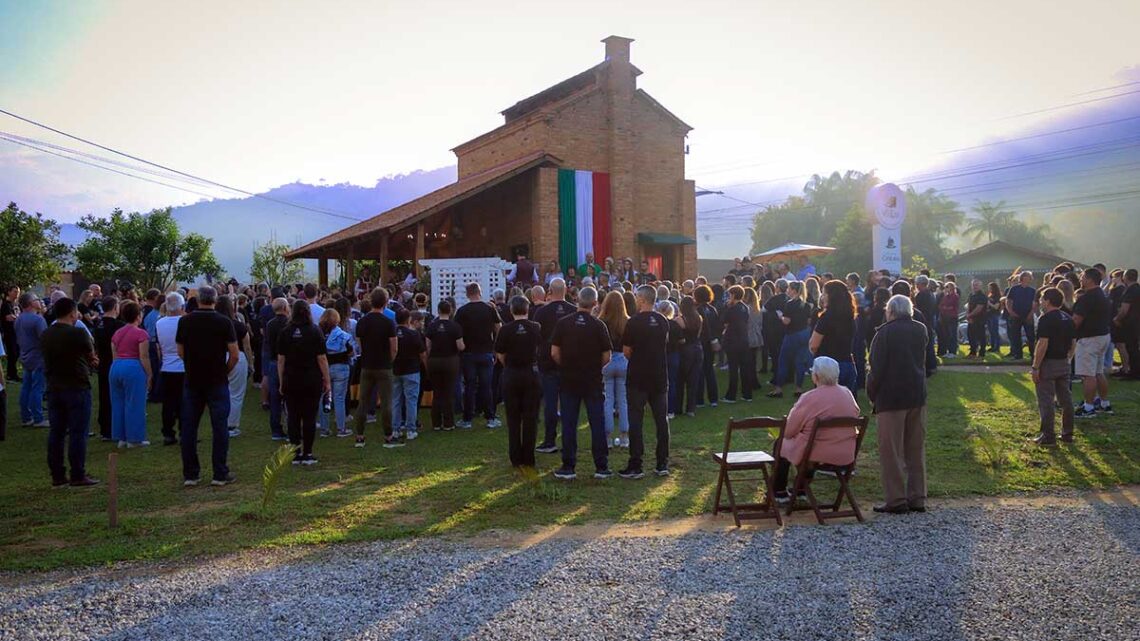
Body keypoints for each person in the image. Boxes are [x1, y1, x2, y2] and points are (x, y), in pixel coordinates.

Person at [867, 294, 929, 514]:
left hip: (891, 398)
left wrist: (872, 393)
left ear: (891, 311)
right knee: (915, 449)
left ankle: (896, 499)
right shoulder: (921, 329)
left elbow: (876, 369)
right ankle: (918, 497)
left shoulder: (884, 333)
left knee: (891, 452)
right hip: (916, 395)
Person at [770, 356, 861, 504]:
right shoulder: (847, 394)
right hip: (844, 452)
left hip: (816, 452)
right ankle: (800, 489)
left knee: (781, 444)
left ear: (816, 376)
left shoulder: (809, 398)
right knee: (809, 441)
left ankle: (779, 491)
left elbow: (788, 431)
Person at [176, 285, 239, 487]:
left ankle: (191, 474)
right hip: (217, 379)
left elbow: (180, 351)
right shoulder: (224, 322)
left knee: (189, 427)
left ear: (198, 300)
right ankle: (220, 473)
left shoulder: (185, 321)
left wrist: (192, 364)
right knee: (220, 427)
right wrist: (224, 370)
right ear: (215, 300)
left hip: (193, 379)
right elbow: (234, 354)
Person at [550, 286, 612, 480]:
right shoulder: (598, 325)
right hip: (592, 380)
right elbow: (607, 355)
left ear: (577, 299)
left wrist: (565, 365)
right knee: (597, 422)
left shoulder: (563, 323)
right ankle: (601, 466)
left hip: (569, 379)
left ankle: (568, 466)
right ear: (595, 303)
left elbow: (554, 352)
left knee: (569, 423)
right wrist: (594, 367)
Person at [40, 297, 99, 487]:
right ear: (73, 313)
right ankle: (77, 473)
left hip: (54, 386)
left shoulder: (46, 334)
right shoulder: (78, 333)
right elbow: (91, 356)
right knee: (77, 432)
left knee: (56, 432)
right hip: (76, 385)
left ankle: (57, 474)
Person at [620, 285, 671, 478]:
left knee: (636, 420)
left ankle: (636, 464)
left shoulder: (633, 322)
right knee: (661, 420)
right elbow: (664, 343)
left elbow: (627, 351)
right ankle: (662, 463)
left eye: (636, 297)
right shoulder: (662, 320)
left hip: (638, 377)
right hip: (658, 375)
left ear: (642, 299)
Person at [277, 300, 330, 464]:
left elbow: (281, 359)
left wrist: (281, 381)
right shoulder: (315, 331)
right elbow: (321, 358)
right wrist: (327, 380)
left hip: (291, 378)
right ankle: (307, 453)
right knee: (309, 416)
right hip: (311, 379)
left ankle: (295, 453)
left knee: (293, 416)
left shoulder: (285, 332)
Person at [494, 295, 543, 468]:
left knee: (513, 418)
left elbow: (500, 354)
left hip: (512, 374)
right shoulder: (536, 327)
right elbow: (540, 348)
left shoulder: (505, 330)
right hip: (531, 373)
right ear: (527, 309)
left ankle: (515, 457)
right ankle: (529, 457)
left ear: (511, 310)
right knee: (531, 417)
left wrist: (508, 364)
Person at [532, 279, 577, 453]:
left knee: (550, 403)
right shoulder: (573, 310)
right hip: (569, 362)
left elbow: (536, 336)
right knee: (568, 403)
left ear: (549, 291)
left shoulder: (542, 312)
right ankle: (568, 441)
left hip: (547, 362)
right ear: (565, 290)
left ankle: (550, 440)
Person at [353, 288, 399, 448]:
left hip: (367, 365)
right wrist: (389, 360)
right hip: (384, 366)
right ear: (385, 302)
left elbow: (360, 344)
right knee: (386, 402)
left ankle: (359, 436)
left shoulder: (362, 322)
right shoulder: (388, 322)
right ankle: (388, 436)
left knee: (363, 402)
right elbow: (394, 348)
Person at [1031, 288, 1076, 445]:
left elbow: (1043, 343)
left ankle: (1048, 435)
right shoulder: (1068, 318)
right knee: (1066, 399)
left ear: (1048, 301)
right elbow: (1073, 343)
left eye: (1042, 299)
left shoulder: (1045, 319)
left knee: (1046, 400)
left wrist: (1036, 367)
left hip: (1048, 363)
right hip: (1063, 361)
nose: (1040, 301)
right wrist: (1068, 358)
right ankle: (1067, 433)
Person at [454, 282, 501, 429]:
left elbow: (456, 331)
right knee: (486, 386)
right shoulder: (490, 309)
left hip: (468, 353)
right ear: (479, 292)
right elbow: (499, 328)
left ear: (467, 294)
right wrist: (495, 347)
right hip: (486, 351)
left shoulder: (462, 311)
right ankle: (490, 417)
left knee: (470, 386)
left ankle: (467, 419)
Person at [1071, 268, 1113, 418]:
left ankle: (1088, 408)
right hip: (1103, 336)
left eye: (1082, 277)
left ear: (1089, 279)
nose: (1080, 279)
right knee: (1098, 372)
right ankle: (1104, 403)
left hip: (1089, 338)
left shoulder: (1087, 298)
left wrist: (1067, 333)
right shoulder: (1102, 295)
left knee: (1088, 375)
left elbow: (1076, 320)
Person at [109, 300, 152, 447]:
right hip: (133, 367)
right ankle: (134, 438)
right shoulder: (141, 334)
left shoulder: (117, 333)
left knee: (118, 402)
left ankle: (121, 437)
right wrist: (149, 374)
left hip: (116, 366)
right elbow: (144, 356)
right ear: (138, 316)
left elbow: (114, 353)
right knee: (135, 403)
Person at [809, 280, 858, 396]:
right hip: (847, 362)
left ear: (831, 296)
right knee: (845, 401)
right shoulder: (850, 317)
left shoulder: (826, 317)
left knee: (827, 402)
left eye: (824, 294)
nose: (822, 297)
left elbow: (814, 345)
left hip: (828, 366)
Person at [425, 300, 464, 431]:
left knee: (437, 392)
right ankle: (448, 422)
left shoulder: (432, 326)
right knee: (448, 392)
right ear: (450, 311)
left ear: (438, 311)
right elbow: (460, 346)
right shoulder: (455, 327)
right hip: (450, 361)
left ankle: (436, 423)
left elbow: (428, 346)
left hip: (434, 361)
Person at [216, 295, 252, 438]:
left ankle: (221, 422)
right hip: (236, 357)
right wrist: (251, 364)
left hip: (217, 357)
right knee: (236, 393)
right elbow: (247, 346)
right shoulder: (238, 325)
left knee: (219, 392)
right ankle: (231, 425)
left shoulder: (214, 324)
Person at [769, 281, 812, 398]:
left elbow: (787, 321)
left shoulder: (790, 304)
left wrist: (780, 316)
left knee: (783, 361)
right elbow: (809, 321)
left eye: (789, 288)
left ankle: (778, 389)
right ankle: (799, 388)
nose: (787, 290)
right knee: (800, 362)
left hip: (792, 334)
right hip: (804, 334)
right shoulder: (806, 305)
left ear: (793, 290)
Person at [599, 290, 630, 448]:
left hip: (608, 360)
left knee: (608, 400)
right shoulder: (627, 322)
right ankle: (624, 437)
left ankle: (608, 438)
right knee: (623, 400)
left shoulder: (602, 321)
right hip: (623, 360)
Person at [318, 308, 354, 438]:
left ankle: (324, 428)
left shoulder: (318, 335)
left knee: (324, 398)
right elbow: (351, 351)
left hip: (324, 368)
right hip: (341, 368)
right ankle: (341, 428)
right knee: (339, 399)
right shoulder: (343, 335)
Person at [391, 308, 426, 440]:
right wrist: (426, 366)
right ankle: (411, 429)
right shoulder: (414, 334)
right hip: (412, 370)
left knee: (396, 400)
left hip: (396, 369)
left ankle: (396, 429)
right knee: (411, 401)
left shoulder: (392, 334)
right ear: (409, 319)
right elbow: (422, 353)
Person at [92, 296, 124, 440]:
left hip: (103, 363)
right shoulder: (118, 325)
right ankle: (114, 426)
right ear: (115, 307)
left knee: (104, 395)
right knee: (116, 395)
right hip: (115, 361)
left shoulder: (98, 324)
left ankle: (105, 427)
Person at [155, 292, 185, 446]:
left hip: (167, 366)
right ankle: (184, 432)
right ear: (181, 306)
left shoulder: (160, 323)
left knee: (168, 403)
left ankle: (168, 432)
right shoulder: (185, 322)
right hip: (183, 367)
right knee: (184, 402)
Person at [15, 292, 48, 427]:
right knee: (37, 388)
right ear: (30, 303)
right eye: (36, 299)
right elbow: (45, 339)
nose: (39, 301)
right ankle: (38, 418)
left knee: (26, 387)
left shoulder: (18, 319)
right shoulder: (38, 319)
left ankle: (26, 417)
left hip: (25, 355)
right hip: (38, 357)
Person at [262, 297, 290, 440]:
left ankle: (276, 429)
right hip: (287, 361)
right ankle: (290, 427)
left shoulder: (270, 324)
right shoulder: (289, 323)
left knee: (275, 397)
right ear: (285, 308)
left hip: (273, 361)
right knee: (289, 396)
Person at [720, 285, 752, 403]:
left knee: (733, 369)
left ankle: (731, 396)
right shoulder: (745, 307)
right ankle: (747, 394)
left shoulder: (732, 309)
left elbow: (724, 321)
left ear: (733, 295)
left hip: (732, 340)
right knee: (744, 368)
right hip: (743, 340)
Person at [694, 285, 720, 407]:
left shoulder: (697, 310)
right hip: (711, 342)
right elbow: (717, 326)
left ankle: (699, 400)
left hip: (701, 342)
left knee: (699, 371)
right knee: (709, 369)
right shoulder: (712, 309)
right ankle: (713, 399)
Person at [676, 296, 703, 418]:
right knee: (693, 380)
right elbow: (698, 334)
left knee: (680, 380)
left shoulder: (680, 320)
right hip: (697, 348)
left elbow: (678, 337)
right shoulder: (699, 318)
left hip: (685, 350)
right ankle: (691, 408)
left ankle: (678, 407)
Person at [1113, 268, 1139, 380]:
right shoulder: (1137, 289)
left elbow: (1124, 309)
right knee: (1134, 348)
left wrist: (1117, 319)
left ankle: (1133, 373)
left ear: (1126, 277)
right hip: (1136, 323)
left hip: (1129, 323)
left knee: (1131, 348)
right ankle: (1134, 371)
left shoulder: (1130, 290)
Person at [1005, 271, 1038, 359]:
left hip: (1028, 315)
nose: (1026, 279)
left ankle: (1033, 354)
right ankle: (1018, 355)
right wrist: (1011, 312)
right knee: (1015, 336)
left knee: (1031, 336)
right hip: (1015, 315)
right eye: (1025, 277)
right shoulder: (1014, 289)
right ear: (1021, 278)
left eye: (1028, 277)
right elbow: (1008, 301)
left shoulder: (1033, 290)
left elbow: (1035, 304)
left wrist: (1031, 314)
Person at [762, 279, 788, 382]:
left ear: (777, 288)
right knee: (783, 353)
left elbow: (763, 310)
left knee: (775, 354)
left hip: (773, 330)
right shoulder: (788, 298)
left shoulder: (774, 299)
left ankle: (776, 377)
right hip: (784, 329)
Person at [2, 285, 21, 382]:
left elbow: (17, 316)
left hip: (16, 333)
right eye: (14, 291)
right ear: (9, 292)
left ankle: (13, 373)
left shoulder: (16, 305)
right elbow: (9, 318)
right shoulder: (6, 304)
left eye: (18, 292)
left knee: (16, 353)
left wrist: (16, 317)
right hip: (9, 333)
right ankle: (10, 375)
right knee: (12, 353)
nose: (17, 294)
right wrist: (18, 318)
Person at [965, 279, 989, 359]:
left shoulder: (982, 296)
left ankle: (982, 354)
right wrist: (968, 315)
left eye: (976, 285)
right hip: (971, 319)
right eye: (973, 285)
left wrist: (970, 315)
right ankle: (973, 353)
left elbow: (979, 308)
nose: (974, 286)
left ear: (980, 286)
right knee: (971, 336)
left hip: (980, 319)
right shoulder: (971, 295)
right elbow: (968, 305)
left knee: (981, 337)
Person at [938, 281, 960, 358]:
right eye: (945, 287)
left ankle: (953, 351)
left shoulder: (955, 296)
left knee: (952, 334)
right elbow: (940, 306)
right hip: (945, 318)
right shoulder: (945, 296)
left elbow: (953, 306)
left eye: (947, 287)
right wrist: (945, 308)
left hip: (952, 317)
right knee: (946, 334)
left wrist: (946, 308)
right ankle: (948, 351)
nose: (946, 288)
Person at [986, 281, 1003, 354]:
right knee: (991, 332)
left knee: (995, 331)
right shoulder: (990, 296)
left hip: (995, 315)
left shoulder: (998, 296)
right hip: (989, 315)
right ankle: (992, 346)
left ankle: (997, 347)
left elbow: (996, 307)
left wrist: (989, 303)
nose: (989, 289)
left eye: (990, 288)